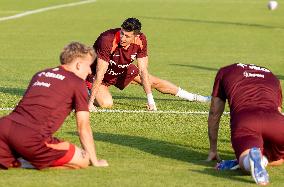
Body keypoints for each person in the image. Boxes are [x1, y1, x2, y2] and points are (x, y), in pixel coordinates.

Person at [0, 42, 108, 170]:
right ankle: (29, 162)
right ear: (79, 65)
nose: (90, 71)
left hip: (4, 127)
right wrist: (94, 161)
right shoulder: (77, 83)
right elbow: (83, 126)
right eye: (89, 66)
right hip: (32, 138)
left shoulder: (40, 74)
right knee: (83, 160)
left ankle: (17, 158)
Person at [87, 17, 211, 111]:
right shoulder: (107, 40)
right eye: (122, 33)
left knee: (154, 81)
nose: (123, 38)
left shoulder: (141, 41)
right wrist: (90, 103)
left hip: (120, 69)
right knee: (106, 103)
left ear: (136, 36)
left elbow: (143, 72)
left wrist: (150, 101)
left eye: (127, 36)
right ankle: (85, 93)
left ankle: (194, 97)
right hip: (97, 75)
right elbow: (100, 73)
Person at [206, 63, 284, 185]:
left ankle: (248, 160)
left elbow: (214, 113)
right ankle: (259, 159)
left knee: (246, 164)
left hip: (246, 121)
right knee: (279, 159)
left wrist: (213, 149)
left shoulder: (225, 71)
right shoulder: (272, 76)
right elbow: (278, 111)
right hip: (277, 123)